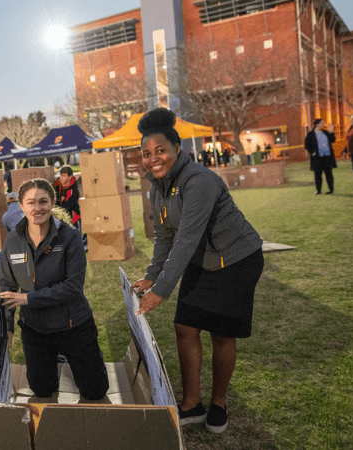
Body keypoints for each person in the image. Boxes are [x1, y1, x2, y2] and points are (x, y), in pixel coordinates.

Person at [130, 108, 263, 434]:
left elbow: (186, 238)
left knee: (221, 333)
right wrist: (151, 275)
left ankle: (218, 404)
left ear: (178, 149)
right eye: (147, 154)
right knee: (185, 327)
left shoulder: (199, 181)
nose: (154, 159)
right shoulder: (156, 188)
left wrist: (160, 289)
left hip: (236, 260)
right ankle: (191, 404)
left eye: (161, 150)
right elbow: (165, 236)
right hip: (202, 261)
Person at [0, 178, 109, 402]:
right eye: (30, 202)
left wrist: (30, 299)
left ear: (52, 203)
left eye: (43, 201)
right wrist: (7, 328)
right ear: (21, 205)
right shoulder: (13, 240)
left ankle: (81, 357)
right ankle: (55, 358)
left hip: (73, 324)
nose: (37, 208)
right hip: (35, 328)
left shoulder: (70, 237)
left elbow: (73, 287)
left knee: (95, 391)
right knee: (42, 390)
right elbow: (6, 286)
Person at [304, 118, 337, 195]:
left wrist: (331, 132)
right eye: (322, 123)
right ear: (317, 124)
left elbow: (332, 140)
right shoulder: (310, 134)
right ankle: (318, 190)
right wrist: (313, 152)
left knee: (329, 174)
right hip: (317, 158)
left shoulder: (325, 133)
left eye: (323, 123)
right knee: (318, 174)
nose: (323, 125)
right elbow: (307, 145)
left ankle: (331, 190)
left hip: (327, 157)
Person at [52, 165, 81, 230]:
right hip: (60, 218)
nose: (61, 178)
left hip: (72, 220)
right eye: (60, 175)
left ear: (70, 177)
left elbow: (67, 206)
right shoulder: (58, 187)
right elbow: (55, 201)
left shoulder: (73, 190)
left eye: (64, 176)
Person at [346, 114, 353, 193]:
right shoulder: (352, 128)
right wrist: (345, 150)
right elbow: (349, 140)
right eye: (351, 119)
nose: (351, 120)